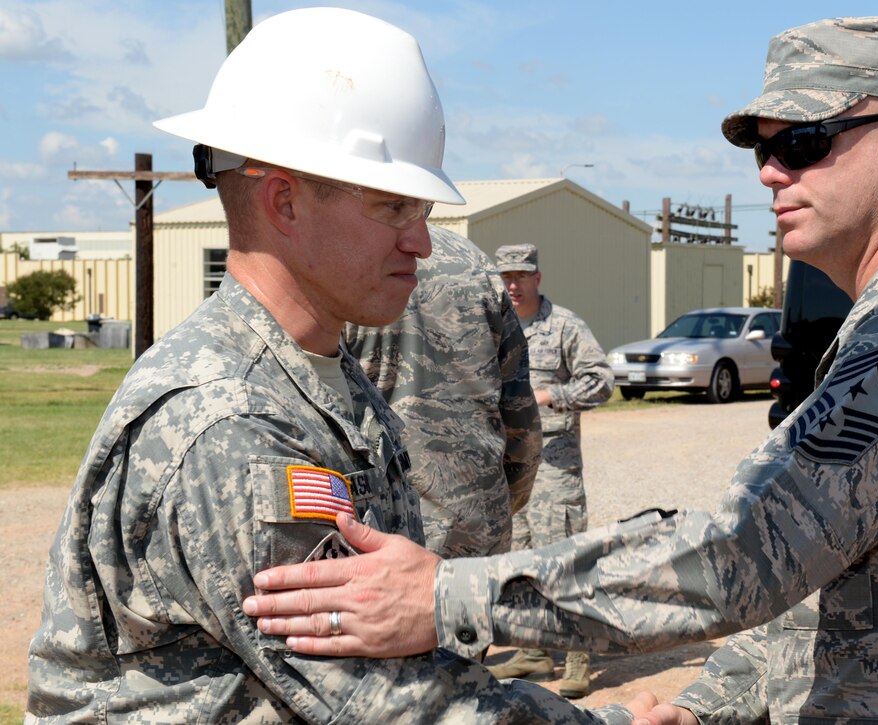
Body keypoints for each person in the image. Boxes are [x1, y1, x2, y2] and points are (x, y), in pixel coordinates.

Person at [242, 16, 878, 723]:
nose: (769, 170)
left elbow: (742, 550)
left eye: (804, 141)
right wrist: (713, 698)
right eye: (762, 145)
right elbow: (831, 576)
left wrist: (441, 596)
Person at [24, 8, 653, 723]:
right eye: (393, 207)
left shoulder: (323, 374)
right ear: (284, 200)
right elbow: (387, 702)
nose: (421, 241)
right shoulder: (231, 422)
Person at [343, 226, 542, 559]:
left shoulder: (338, 256)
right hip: (477, 524)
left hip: (377, 535)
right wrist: (504, 501)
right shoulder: (473, 262)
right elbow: (519, 412)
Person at [486, 243, 614, 698]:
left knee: (565, 565)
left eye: (521, 275)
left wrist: (550, 395)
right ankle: (533, 652)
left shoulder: (564, 326)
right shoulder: (494, 327)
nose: (513, 285)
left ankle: (578, 659)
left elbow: (601, 381)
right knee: (517, 564)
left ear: (538, 277)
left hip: (555, 471)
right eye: (506, 276)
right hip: (509, 470)